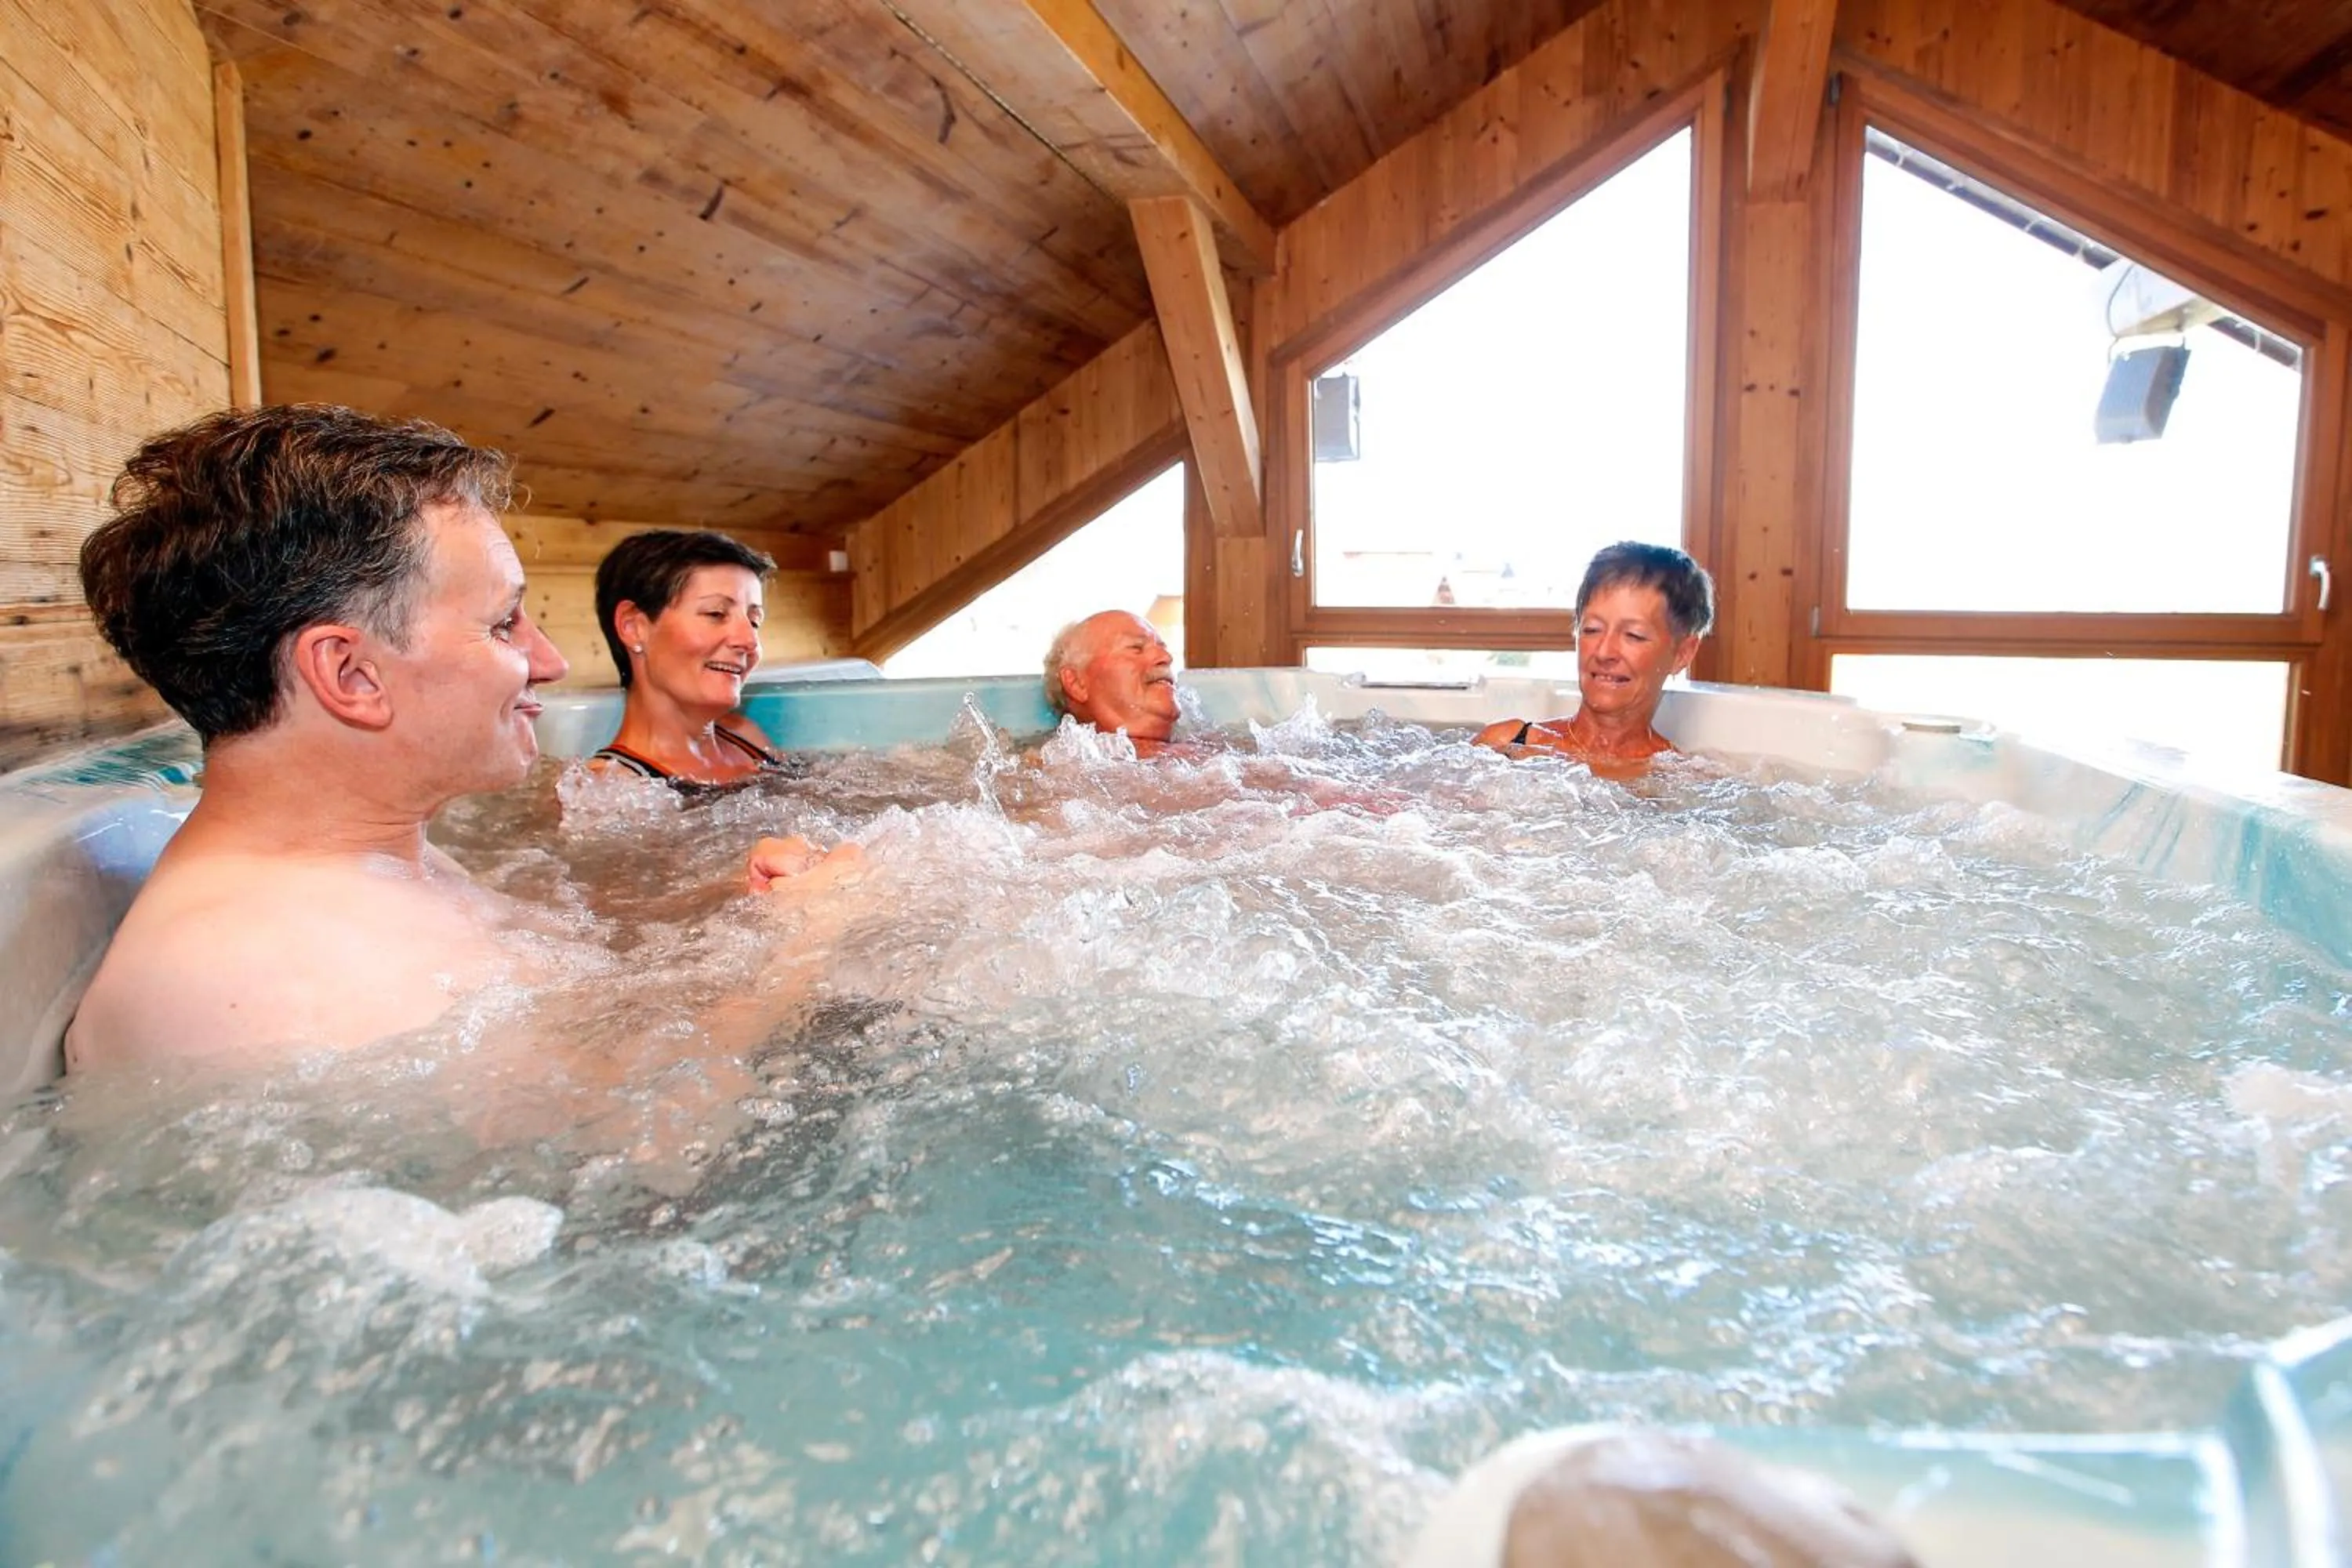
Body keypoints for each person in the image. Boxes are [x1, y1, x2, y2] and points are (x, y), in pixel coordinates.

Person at [67, 405, 844, 1073]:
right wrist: (812, 943)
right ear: (351, 674)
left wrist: (740, 909)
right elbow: (661, 1143)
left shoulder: (365, 861)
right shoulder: (259, 982)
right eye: (504, 623)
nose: (552, 661)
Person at [1475, 542, 1715, 780]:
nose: (1604, 652)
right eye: (1592, 629)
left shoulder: (1682, 778)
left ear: (1682, 653)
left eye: (1634, 635)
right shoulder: (1505, 746)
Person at [588, 529, 799, 787]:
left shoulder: (747, 738)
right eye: (716, 614)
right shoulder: (611, 790)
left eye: (754, 622)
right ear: (634, 628)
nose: (750, 642)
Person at [1043, 608, 1181, 756]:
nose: (1166, 657)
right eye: (1137, 648)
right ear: (1076, 683)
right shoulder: (1055, 762)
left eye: (1162, 648)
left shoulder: (1195, 744)